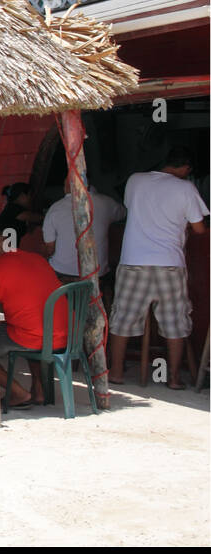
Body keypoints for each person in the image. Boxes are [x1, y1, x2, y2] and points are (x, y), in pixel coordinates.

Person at [108, 147, 209, 389]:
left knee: (122, 318)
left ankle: (117, 372)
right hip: (169, 264)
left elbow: (134, 208)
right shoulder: (185, 188)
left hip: (133, 261)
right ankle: (173, 378)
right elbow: (199, 229)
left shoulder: (135, 180)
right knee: (174, 321)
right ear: (185, 168)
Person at [0, 227, 69, 406]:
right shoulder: (37, 259)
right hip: (62, 334)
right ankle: (39, 392)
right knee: (25, 326)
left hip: (32, 337)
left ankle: (18, 393)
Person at [41, 186, 125, 284]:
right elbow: (124, 213)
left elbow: (50, 249)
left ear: (66, 188)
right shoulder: (107, 202)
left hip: (63, 273)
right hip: (97, 274)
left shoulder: (55, 208)